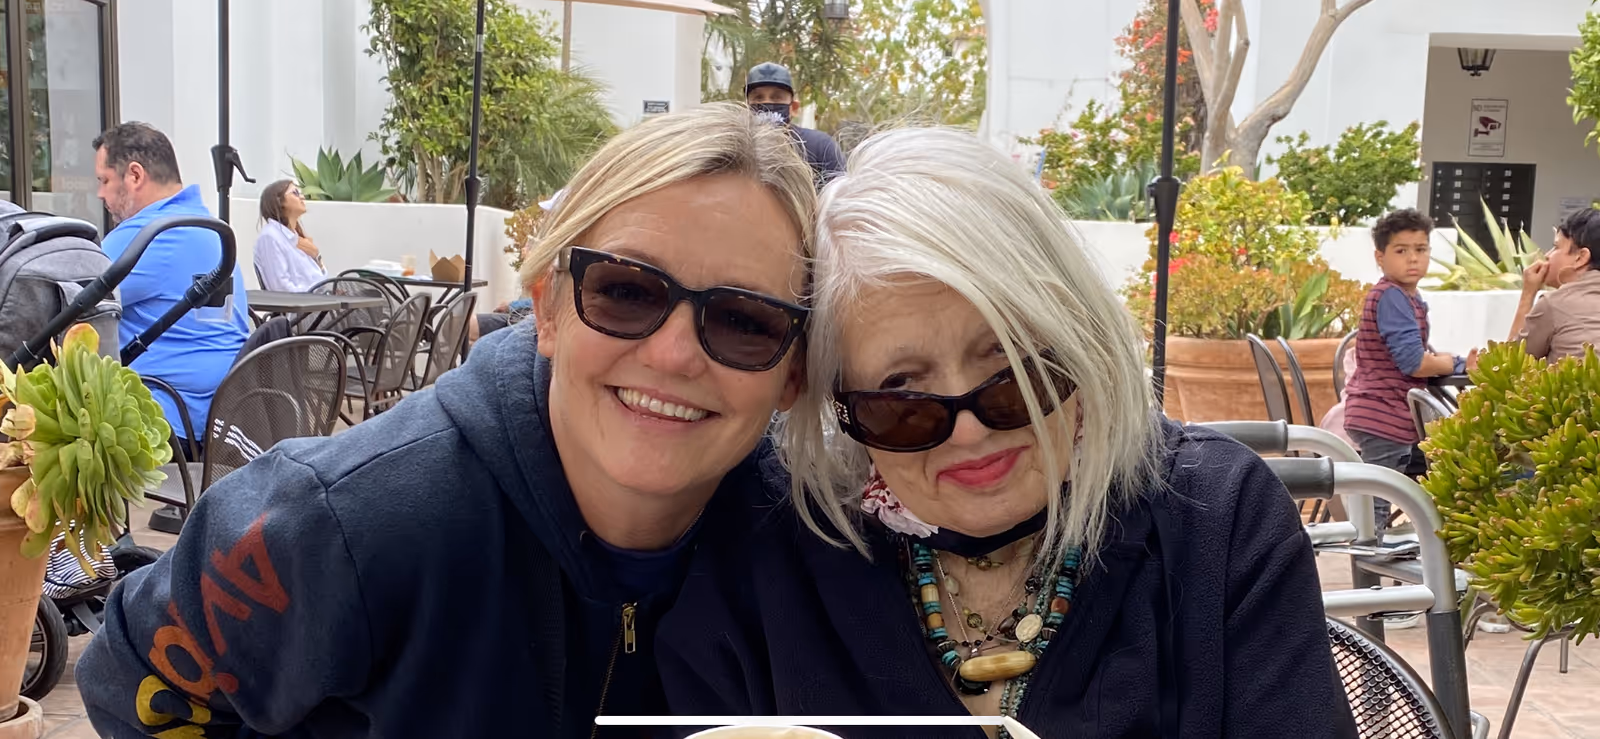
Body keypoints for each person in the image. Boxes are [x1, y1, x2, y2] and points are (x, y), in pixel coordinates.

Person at [77, 104, 816, 738]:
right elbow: (131, 669)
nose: (675, 352)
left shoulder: (814, 549)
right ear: (547, 307)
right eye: (626, 290)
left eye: (745, 318)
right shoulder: (354, 517)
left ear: (794, 373)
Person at [657, 128, 1355, 738]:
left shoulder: (1217, 520)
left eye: (1016, 373)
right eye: (902, 398)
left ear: (1077, 335)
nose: (967, 431)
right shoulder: (762, 548)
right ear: (837, 403)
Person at [92, 122, 253, 533]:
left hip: (165, 421)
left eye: (105, 181)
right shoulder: (213, 229)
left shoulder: (149, 236)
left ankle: (77, 563)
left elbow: (65, 294)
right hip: (227, 414)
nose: (100, 195)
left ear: (134, 175)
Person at [1345, 209, 1475, 500]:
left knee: (1414, 479)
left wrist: (1454, 362)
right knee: (1377, 500)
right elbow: (1414, 363)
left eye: (1421, 249)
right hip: (1382, 415)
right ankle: (1369, 545)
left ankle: (1401, 538)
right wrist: (1449, 362)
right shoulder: (1391, 296)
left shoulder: (1404, 296)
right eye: (1401, 250)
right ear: (1380, 257)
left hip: (1389, 416)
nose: (1413, 258)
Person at [1508, 207, 1600, 361]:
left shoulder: (1554, 304)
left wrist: (1528, 294)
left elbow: (1509, 364)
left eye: (1556, 247)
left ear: (1581, 257)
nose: (1547, 255)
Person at [746, 62, 845, 185]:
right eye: (758, 98)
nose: (766, 104)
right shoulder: (735, 147)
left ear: (794, 108)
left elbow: (840, 197)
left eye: (777, 97)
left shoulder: (820, 146)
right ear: (746, 106)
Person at [253, 179, 327, 292]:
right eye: (295, 193)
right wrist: (315, 297)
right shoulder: (270, 237)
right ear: (279, 201)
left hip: (320, 303)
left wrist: (317, 257)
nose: (302, 197)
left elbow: (320, 280)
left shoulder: (298, 239)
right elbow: (280, 288)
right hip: (307, 306)